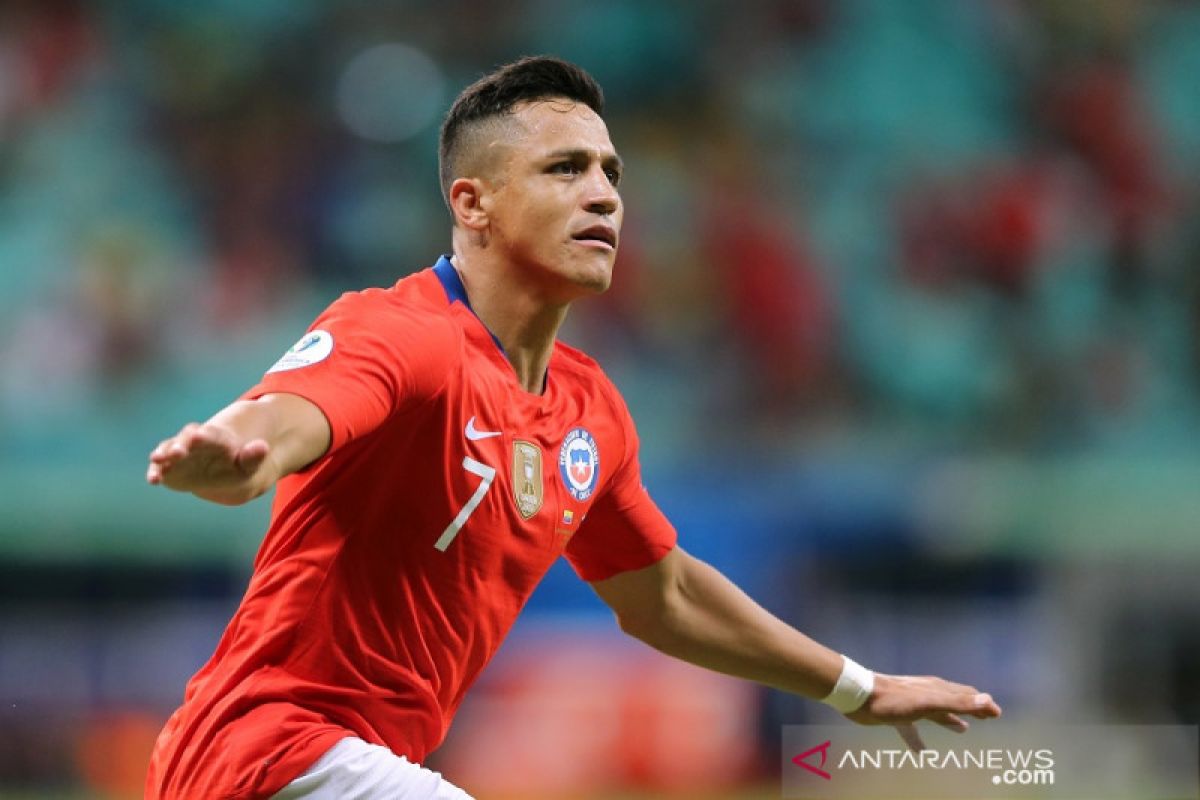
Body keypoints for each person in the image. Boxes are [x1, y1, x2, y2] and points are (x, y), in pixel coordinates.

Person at [143, 55, 1001, 800]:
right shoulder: (407, 333)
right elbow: (283, 422)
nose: (602, 195)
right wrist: (234, 456)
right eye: (564, 169)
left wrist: (858, 688)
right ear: (472, 204)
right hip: (268, 755)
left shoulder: (587, 411)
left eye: (611, 173)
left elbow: (662, 596)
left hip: (350, 763)